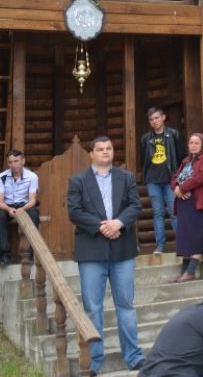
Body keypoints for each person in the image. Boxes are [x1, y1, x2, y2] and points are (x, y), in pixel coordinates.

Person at [67, 136, 145, 374]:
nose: (105, 152)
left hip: (123, 250)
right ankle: (93, 362)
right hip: (91, 251)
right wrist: (102, 226)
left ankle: (133, 356)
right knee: (92, 307)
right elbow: (74, 211)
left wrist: (119, 223)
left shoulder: (126, 177)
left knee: (126, 305)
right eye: (100, 149)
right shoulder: (78, 180)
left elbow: (135, 205)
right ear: (91, 154)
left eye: (109, 148)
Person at [140, 107, 187, 255]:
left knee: (174, 212)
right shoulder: (145, 139)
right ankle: (160, 246)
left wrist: (180, 179)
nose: (154, 121)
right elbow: (143, 160)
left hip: (170, 180)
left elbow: (182, 157)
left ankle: (182, 244)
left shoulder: (174, 134)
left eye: (157, 118)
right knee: (158, 213)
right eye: (151, 119)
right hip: (153, 180)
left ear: (163, 117)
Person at [172, 132, 203, 283]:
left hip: (198, 202)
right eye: (191, 143)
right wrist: (176, 188)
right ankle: (184, 271)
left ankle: (190, 271)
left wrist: (182, 188)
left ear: (202, 145)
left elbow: (201, 177)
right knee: (185, 236)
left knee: (195, 236)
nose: (193, 145)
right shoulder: (186, 161)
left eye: (197, 143)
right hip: (184, 203)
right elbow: (175, 177)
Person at [0, 149, 39, 266]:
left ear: (23, 161)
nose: (13, 164)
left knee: (34, 214)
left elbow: (32, 200)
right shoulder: (1, 177)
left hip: (24, 205)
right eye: (10, 162)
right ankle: (4, 255)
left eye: (16, 161)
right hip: (7, 206)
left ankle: (30, 254)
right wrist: (9, 209)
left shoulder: (32, 177)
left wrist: (22, 209)